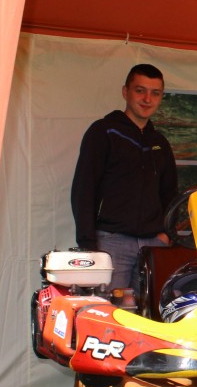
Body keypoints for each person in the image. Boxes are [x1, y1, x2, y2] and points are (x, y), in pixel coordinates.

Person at [71, 63, 178, 290]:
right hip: (111, 242)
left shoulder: (160, 142)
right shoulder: (103, 131)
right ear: (125, 92)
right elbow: (84, 189)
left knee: (154, 310)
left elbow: (170, 195)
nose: (147, 99)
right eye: (140, 90)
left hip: (153, 244)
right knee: (108, 310)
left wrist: (166, 235)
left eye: (155, 93)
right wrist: (88, 244)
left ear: (161, 97)